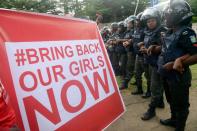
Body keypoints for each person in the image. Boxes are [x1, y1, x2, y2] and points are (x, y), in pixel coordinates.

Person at [157, 0, 197, 130]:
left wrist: (178, 61)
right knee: (171, 100)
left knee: (181, 105)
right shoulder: (170, 32)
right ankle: (174, 120)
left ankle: (180, 127)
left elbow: (195, 54)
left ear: (177, 15)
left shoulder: (186, 32)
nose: (165, 17)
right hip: (167, 76)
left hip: (179, 77)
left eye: (167, 14)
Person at [140, 7, 166, 120]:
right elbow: (147, 43)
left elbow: (166, 47)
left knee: (154, 87)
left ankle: (151, 110)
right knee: (156, 84)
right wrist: (142, 46)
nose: (150, 23)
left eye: (152, 21)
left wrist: (153, 49)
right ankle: (160, 102)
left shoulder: (162, 31)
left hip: (158, 63)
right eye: (148, 21)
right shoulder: (148, 31)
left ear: (158, 20)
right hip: (150, 62)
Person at [131, 12, 151, 97]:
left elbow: (149, 41)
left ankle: (149, 92)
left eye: (138, 20)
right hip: (137, 55)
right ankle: (139, 89)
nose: (136, 22)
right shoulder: (136, 29)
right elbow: (134, 39)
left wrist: (143, 44)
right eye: (136, 21)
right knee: (137, 73)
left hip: (144, 56)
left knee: (147, 75)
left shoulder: (146, 30)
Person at [119, 16, 136, 90]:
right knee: (128, 67)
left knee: (130, 68)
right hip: (128, 51)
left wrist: (125, 41)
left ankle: (125, 83)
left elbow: (133, 39)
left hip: (132, 52)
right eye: (128, 23)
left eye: (129, 23)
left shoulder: (135, 30)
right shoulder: (128, 31)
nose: (128, 24)